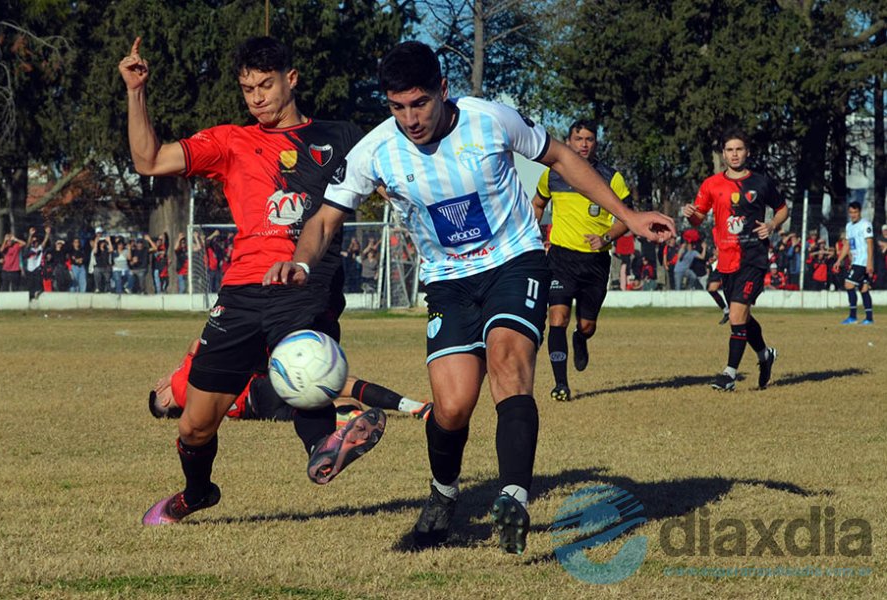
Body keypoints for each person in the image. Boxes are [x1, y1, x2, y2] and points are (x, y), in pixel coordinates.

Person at [265, 42, 675, 553]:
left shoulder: (490, 120)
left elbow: (561, 157)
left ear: (443, 89)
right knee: (453, 406)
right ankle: (443, 495)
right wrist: (303, 262)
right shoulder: (376, 150)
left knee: (508, 363)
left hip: (514, 260)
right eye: (397, 107)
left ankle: (513, 497)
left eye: (420, 103)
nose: (410, 119)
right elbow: (326, 217)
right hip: (448, 281)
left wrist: (628, 216)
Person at [120, 35, 387, 526]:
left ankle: (324, 445)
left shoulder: (342, 136)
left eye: (266, 85)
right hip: (241, 290)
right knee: (194, 427)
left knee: (300, 358)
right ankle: (197, 493)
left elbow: (396, 182)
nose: (257, 98)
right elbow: (149, 160)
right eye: (248, 89)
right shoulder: (230, 141)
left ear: (292, 79)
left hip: (306, 280)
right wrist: (136, 91)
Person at [530, 119, 634, 403]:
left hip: (595, 263)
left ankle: (581, 338)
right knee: (557, 319)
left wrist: (607, 237)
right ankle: (561, 384)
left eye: (589, 139)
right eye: (579, 139)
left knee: (587, 326)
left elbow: (628, 217)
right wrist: (532, 235)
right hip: (561, 259)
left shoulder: (611, 178)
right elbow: (538, 204)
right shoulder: (552, 175)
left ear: (595, 143)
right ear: (569, 141)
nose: (584, 144)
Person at [683, 128, 787, 392]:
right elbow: (697, 218)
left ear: (747, 152)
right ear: (723, 154)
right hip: (726, 259)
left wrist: (771, 225)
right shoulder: (711, 184)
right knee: (742, 317)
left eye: (739, 149)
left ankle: (729, 375)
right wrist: (689, 213)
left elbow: (782, 209)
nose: (734, 154)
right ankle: (765, 355)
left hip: (753, 258)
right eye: (730, 150)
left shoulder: (761, 183)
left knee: (737, 314)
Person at [149, 339, 432, 422]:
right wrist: (174, 371)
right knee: (342, 383)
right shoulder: (180, 385)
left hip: (261, 412)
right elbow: (197, 344)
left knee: (334, 406)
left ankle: (349, 417)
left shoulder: (195, 411)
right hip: (262, 389)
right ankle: (413, 407)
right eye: (159, 386)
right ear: (163, 397)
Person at [833, 201, 874, 324]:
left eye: (855, 212)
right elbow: (847, 245)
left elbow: (870, 244)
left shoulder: (865, 224)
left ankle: (853, 317)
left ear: (860, 212)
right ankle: (869, 318)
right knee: (863, 288)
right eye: (851, 212)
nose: (853, 215)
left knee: (848, 284)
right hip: (856, 261)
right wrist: (839, 260)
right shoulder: (849, 226)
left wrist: (870, 262)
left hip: (862, 262)